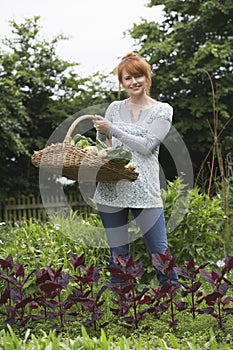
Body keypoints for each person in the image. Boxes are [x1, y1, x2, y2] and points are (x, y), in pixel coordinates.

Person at [93, 52, 178, 285]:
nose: (134, 82)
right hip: (112, 189)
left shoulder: (162, 110)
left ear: (147, 77)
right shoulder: (113, 108)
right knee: (118, 257)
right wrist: (102, 134)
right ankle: (123, 309)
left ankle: (175, 306)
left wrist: (113, 129)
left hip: (145, 189)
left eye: (138, 76)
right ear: (122, 83)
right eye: (128, 78)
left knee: (160, 254)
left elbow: (147, 146)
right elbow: (105, 150)